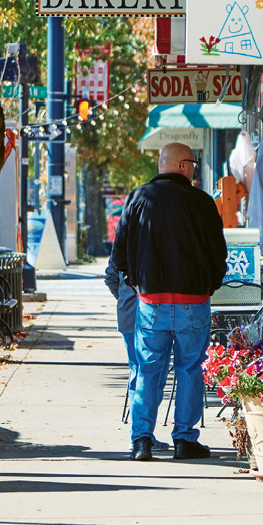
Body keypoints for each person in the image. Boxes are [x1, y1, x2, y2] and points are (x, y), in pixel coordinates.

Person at [112, 141, 227, 462]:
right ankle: (184, 439)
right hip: (194, 299)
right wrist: (210, 284)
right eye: (192, 162)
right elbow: (219, 253)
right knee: (190, 369)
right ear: (181, 166)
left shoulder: (137, 199)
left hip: (151, 300)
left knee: (148, 369)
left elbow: (119, 253)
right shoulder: (202, 202)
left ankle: (142, 440)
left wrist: (137, 284)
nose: (194, 167)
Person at [103, 247, 169, 452]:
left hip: (130, 313)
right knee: (150, 375)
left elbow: (110, 278)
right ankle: (140, 434)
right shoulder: (154, 233)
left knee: (141, 373)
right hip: (146, 315)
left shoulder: (125, 237)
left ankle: (141, 433)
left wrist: (124, 298)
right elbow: (111, 277)